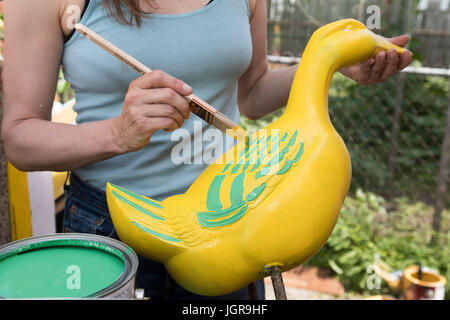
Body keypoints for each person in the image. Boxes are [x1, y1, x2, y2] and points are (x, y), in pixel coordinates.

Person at [1, 0, 412, 300]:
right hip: (110, 228)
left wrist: (328, 66)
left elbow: (250, 95)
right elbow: (20, 138)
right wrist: (117, 134)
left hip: (230, 226)